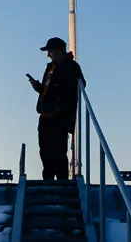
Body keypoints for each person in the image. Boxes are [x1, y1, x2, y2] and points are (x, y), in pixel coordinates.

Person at [28, 37, 85, 180]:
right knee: (45, 152)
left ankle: (62, 183)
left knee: (58, 153)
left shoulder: (71, 67)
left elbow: (81, 85)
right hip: (45, 116)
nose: (48, 55)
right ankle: (48, 181)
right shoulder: (50, 68)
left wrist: (62, 98)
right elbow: (48, 89)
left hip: (59, 117)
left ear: (59, 51)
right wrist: (39, 88)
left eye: (50, 51)